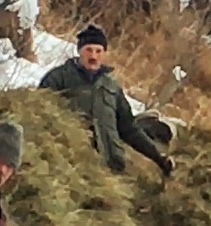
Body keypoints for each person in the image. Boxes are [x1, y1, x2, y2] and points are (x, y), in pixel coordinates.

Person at [39, 25, 174, 176]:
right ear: (79, 51)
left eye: (98, 51)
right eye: (88, 50)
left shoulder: (112, 86)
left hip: (110, 168)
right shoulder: (58, 79)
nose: (93, 56)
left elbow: (129, 128)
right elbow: (41, 118)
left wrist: (158, 157)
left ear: (104, 53)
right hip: (72, 166)